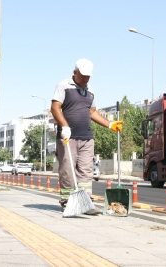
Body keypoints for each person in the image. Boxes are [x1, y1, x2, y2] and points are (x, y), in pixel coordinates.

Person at [51, 59, 122, 214]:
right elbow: (55, 108)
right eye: (83, 76)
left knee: (86, 171)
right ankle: (67, 202)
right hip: (68, 137)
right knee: (67, 171)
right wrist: (64, 126)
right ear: (75, 72)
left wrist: (109, 124)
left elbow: (92, 112)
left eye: (88, 76)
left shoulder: (90, 90)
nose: (85, 79)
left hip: (87, 137)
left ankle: (85, 202)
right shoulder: (64, 85)